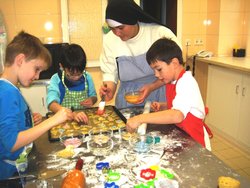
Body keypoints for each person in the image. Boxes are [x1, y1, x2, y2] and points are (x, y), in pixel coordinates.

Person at [0, 31, 73, 180]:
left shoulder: (10, 88)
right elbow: (12, 143)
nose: (37, 76)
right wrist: (51, 121)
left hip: (18, 166)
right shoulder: (6, 92)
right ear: (20, 60)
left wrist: (30, 121)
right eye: (37, 69)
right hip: (10, 175)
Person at [126, 38, 213, 150]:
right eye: (154, 71)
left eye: (159, 69)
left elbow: (177, 115)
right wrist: (164, 106)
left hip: (196, 141)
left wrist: (140, 118)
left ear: (174, 63)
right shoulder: (172, 81)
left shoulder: (186, 82)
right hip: (185, 137)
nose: (156, 75)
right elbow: (183, 106)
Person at [99, 0, 182, 109]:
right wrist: (109, 89)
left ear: (133, 21)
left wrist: (152, 87)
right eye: (112, 29)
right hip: (127, 98)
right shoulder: (110, 39)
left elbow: (175, 68)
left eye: (120, 28)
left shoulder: (159, 33)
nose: (117, 33)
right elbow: (110, 71)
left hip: (159, 93)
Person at [46, 44, 97, 123]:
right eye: (71, 75)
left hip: (83, 119)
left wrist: (92, 100)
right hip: (63, 121)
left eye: (79, 74)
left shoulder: (87, 77)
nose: (76, 77)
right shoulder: (56, 79)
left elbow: (94, 96)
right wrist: (71, 114)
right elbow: (51, 103)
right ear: (62, 66)